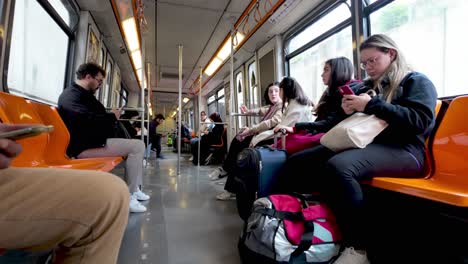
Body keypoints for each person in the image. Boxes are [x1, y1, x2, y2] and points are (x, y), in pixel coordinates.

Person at [277, 34, 437, 264]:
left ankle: (359, 247)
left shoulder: (415, 81)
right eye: (364, 63)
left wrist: (371, 105)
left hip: (407, 150)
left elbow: (420, 121)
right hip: (371, 145)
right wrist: (347, 111)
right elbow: (337, 124)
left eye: (373, 60)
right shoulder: (368, 87)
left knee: (339, 167)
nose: (368, 67)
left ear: (391, 54)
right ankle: (301, 219)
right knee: (299, 161)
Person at [0, 123, 129, 263]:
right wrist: (113, 118)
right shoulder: (74, 101)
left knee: (107, 196)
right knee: (107, 196)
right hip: (86, 144)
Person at [57, 62, 150, 213]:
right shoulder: (71, 96)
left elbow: (94, 117)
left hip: (93, 141)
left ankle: (135, 189)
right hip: (83, 147)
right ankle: (129, 196)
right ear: (88, 77)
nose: (100, 84)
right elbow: (86, 121)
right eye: (99, 81)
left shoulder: (83, 95)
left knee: (137, 145)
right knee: (137, 146)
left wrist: (111, 116)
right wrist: (113, 116)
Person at [209, 82, 283, 200]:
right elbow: (260, 110)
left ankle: (231, 185)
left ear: (281, 92)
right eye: (270, 91)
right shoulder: (272, 107)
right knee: (238, 139)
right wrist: (248, 112)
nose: (273, 93)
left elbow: (271, 122)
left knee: (241, 153)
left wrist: (251, 130)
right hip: (263, 136)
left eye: (276, 91)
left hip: (270, 139)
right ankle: (226, 169)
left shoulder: (282, 106)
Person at [276, 57, 359, 135]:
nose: (322, 75)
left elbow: (328, 123)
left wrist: (296, 127)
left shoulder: (347, 93)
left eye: (326, 70)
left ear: (338, 72)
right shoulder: (330, 93)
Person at [251, 76, 314, 147]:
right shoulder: (296, 104)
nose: (274, 94)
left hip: (292, 139)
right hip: (293, 136)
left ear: (283, 90)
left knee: (257, 142)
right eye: (270, 92)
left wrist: (257, 137)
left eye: (278, 90)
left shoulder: (295, 108)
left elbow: (280, 130)